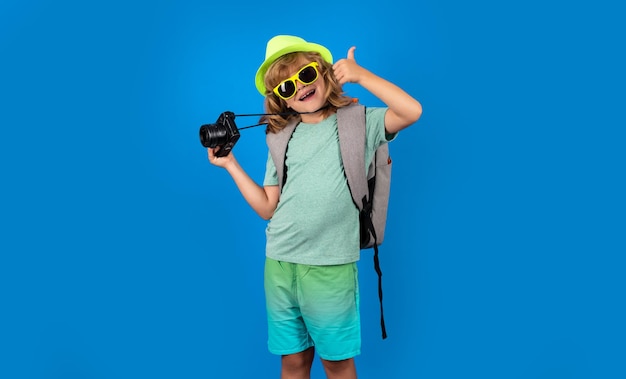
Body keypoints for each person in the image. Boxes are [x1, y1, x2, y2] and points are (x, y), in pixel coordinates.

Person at [207, 35, 422, 379]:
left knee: (337, 364)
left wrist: (361, 75)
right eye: (286, 88)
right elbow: (266, 207)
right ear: (280, 100)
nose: (299, 89)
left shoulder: (359, 121)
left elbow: (411, 111)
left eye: (305, 76)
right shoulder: (279, 136)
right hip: (280, 263)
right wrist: (231, 164)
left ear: (324, 73)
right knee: (292, 362)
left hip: (329, 266)